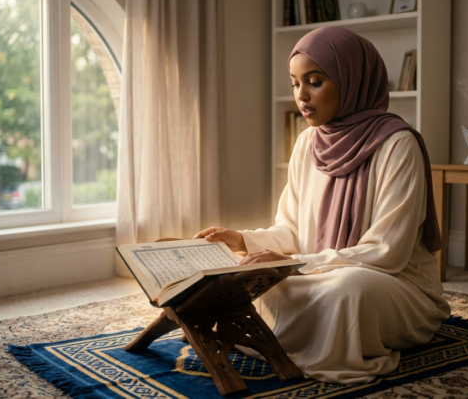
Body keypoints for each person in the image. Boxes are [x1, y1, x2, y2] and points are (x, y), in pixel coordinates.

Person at [193, 26, 451, 384]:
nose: (302, 95)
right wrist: (242, 240)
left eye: (314, 81)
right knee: (247, 275)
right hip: (319, 272)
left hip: (392, 284)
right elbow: (292, 231)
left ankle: (308, 339)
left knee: (348, 291)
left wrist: (295, 265)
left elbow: (387, 252)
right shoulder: (306, 143)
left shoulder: (398, 144)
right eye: (296, 83)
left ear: (352, 80)